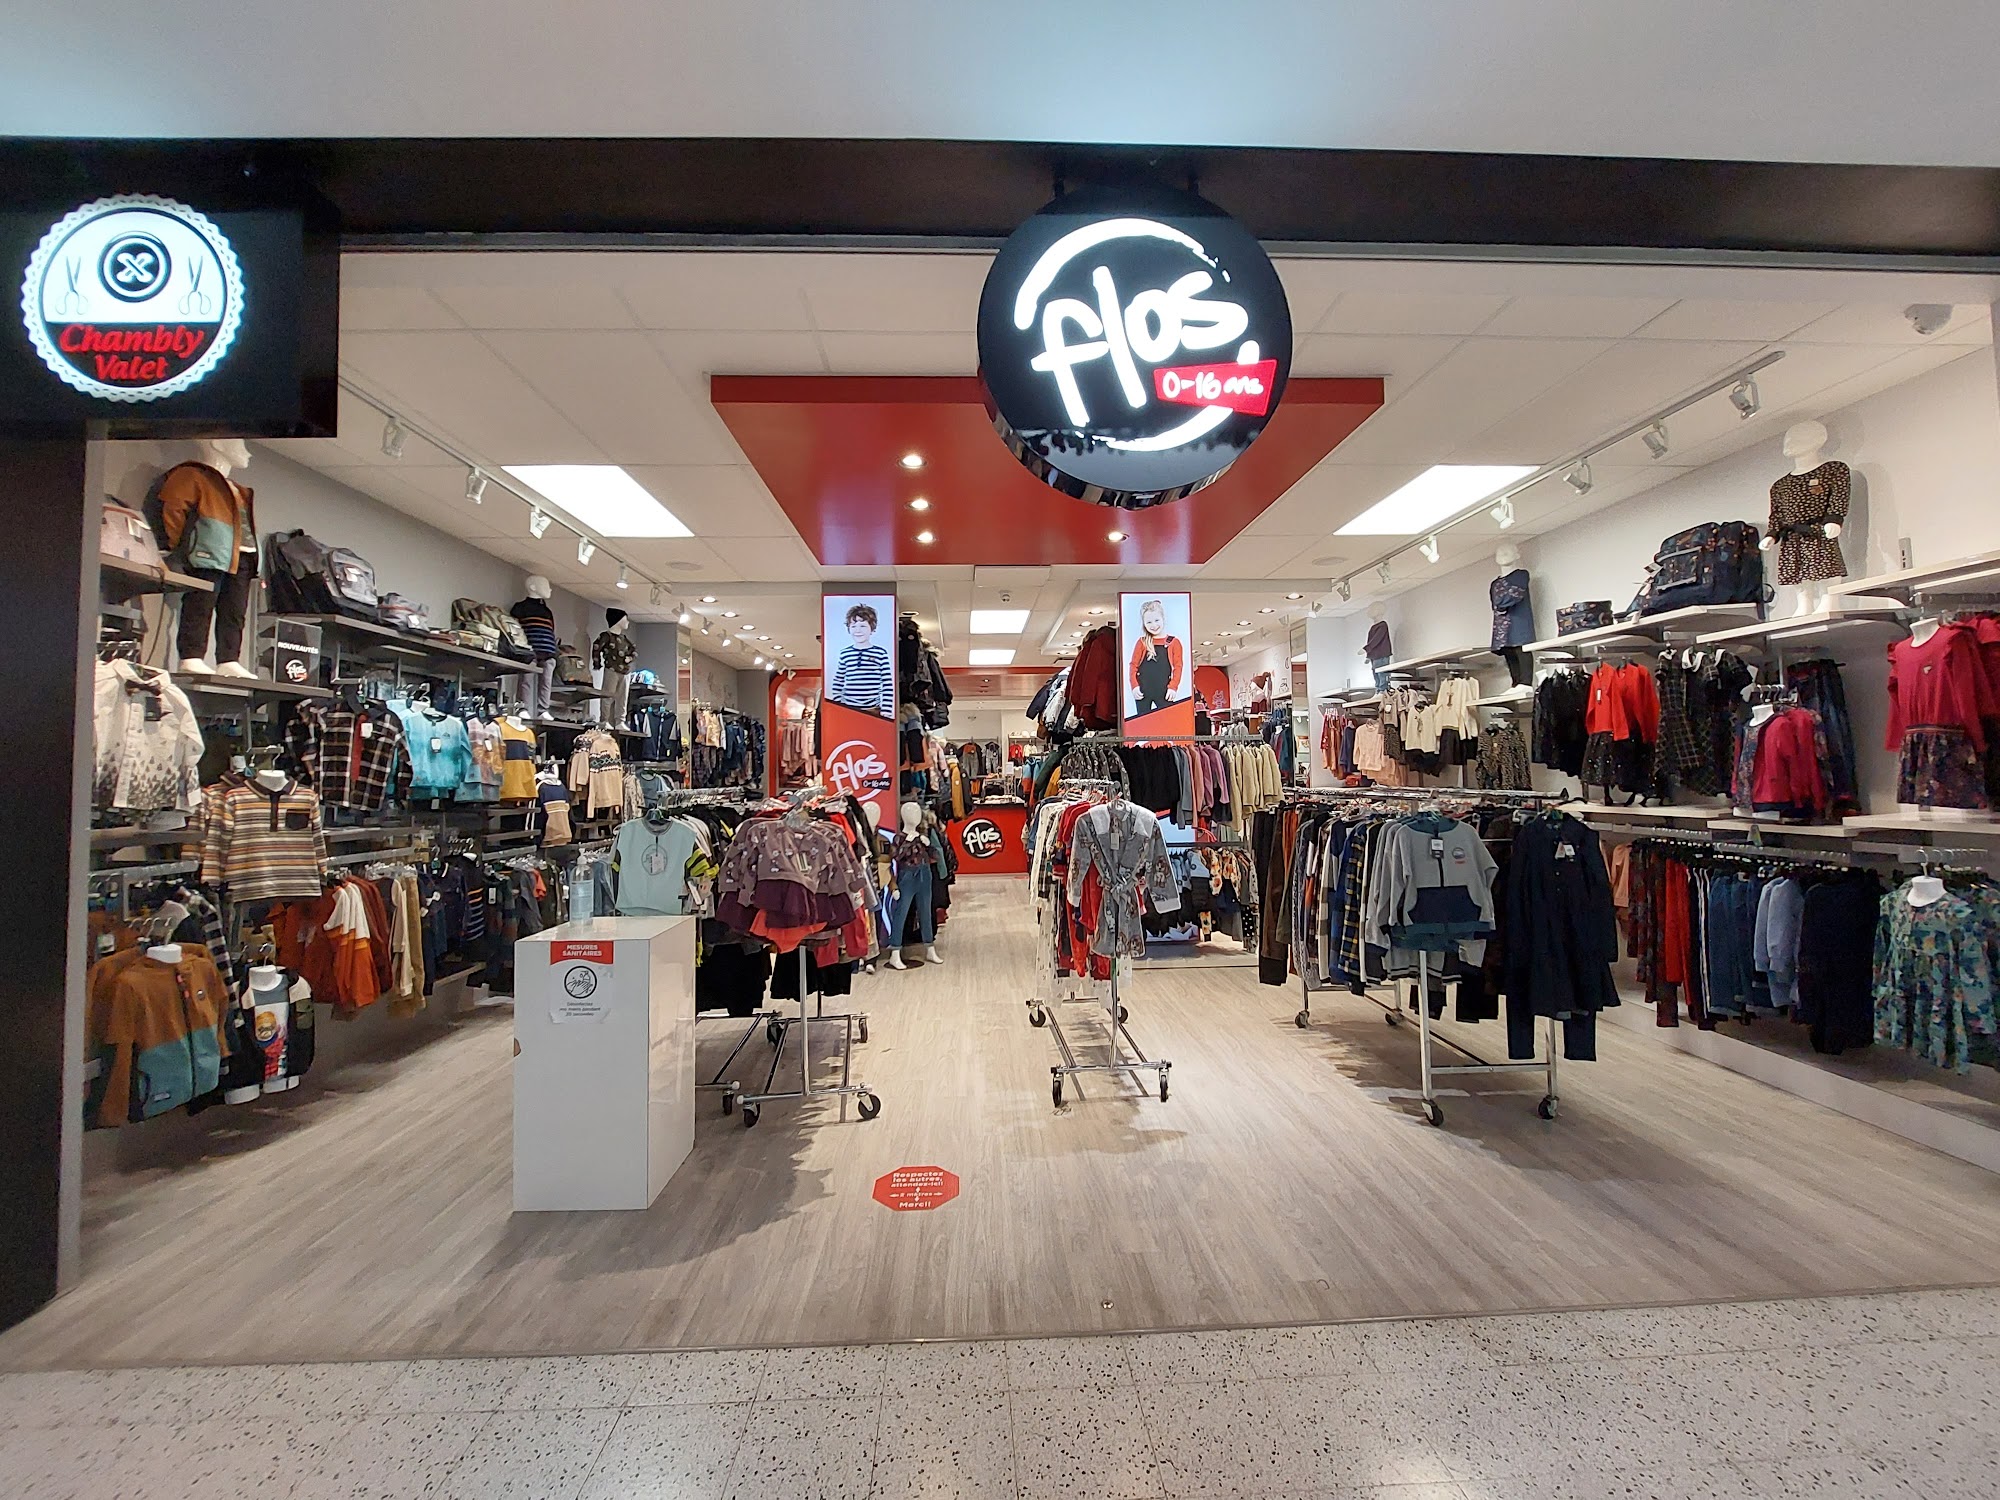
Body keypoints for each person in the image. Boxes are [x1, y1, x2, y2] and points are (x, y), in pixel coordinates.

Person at [828, 602, 895, 718]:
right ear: (849, 629)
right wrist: (838, 704)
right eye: (853, 626)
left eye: (863, 626)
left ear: (872, 628)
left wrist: (887, 709)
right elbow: (838, 680)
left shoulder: (880, 653)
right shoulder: (845, 653)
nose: (858, 630)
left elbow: (887, 683)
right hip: (849, 708)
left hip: (873, 708)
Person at [1127, 599, 1185, 717]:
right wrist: (1134, 686)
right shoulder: (1142, 642)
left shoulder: (1173, 642)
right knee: (1143, 723)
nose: (1153, 625)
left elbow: (1178, 667)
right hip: (1142, 691)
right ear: (1144, 624)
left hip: (1165, 691)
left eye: (1157, 620)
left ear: (1163, 618)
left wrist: (1173, 687)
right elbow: (1133, 665)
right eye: (1149, 622)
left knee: (1166, 721)